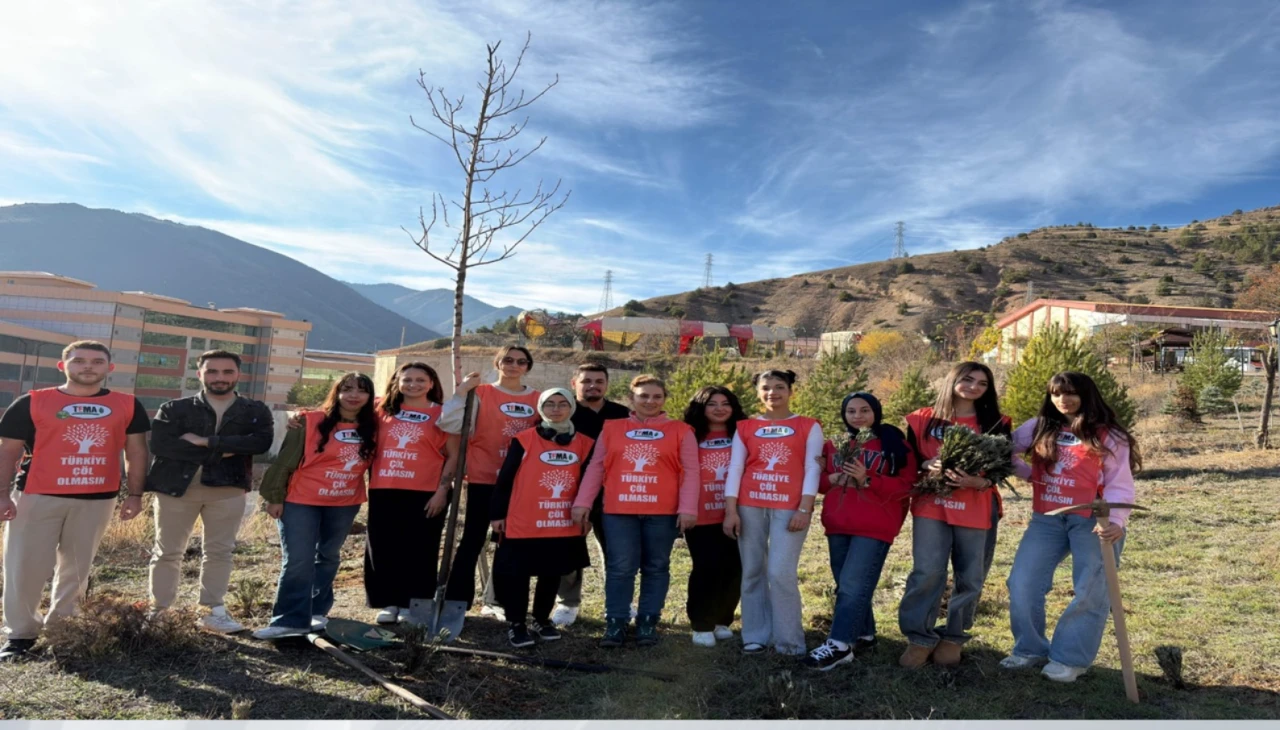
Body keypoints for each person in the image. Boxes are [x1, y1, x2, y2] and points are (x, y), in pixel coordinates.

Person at [0, 341, 151, 661]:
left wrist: (135, 495)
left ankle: (63, 630)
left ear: (109, 369)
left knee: (76, 570)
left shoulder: (127, 405)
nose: (88, 367)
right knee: (24, 567)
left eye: (97, 362)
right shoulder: (32, 402)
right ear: (62, 365)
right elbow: (7, 451)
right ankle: (20, 634)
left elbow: (136, 452)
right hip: (36, 495)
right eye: (79, 360)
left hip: (97, 499)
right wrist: (1, 494)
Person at [1001, 372, 1140, 683]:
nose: (1063, 400)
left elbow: (1120, 483)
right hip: (1046, 518)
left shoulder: (1109, 435)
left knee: (1090, 589)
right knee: (1022, 581)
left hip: (1093, 519)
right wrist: (1027, 474)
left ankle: (1070, 658)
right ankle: (1029, 648)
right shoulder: (1038, 427)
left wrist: (1117, 522)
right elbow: (1004, 449)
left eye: (1071, 393)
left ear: (1087, 395)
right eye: (1056, 394)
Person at [145, 349, 274, 634]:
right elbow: (163, 446)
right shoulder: (174, 409)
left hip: (227, 490)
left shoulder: (255, 411)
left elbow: (260, 444)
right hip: (176, 489)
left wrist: (205, 441)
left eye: (227, 372)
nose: (220, 378)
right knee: (167, 552)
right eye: (212, 371)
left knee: (219, 552)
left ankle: (212, 612)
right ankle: (159, 612)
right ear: (199, 374)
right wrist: (226, 448)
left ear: (238, 375)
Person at [897, 361, 1011, 669]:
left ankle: (953, 637)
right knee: (927, 572)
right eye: (967, 379)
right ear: (953, 380)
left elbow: (1002, 467)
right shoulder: (923, 419)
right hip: (932, 504)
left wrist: (980, 481)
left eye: (982, 383)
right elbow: (909, 461)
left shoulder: (996, 422)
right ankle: (919, 638)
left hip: (976, 505)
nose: (974, 386)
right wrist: (926, 465)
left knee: (970, 576)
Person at [571, 375, 699, 647]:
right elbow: (596, 467)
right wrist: (583, 502)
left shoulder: (681, 430)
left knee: (656, 567)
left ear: (665, 399)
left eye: (656, 396)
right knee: (620, 568)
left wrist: (688, 508)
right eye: (643, 396)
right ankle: (616, 623)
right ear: (631, 399)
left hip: (663, 512)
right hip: (619, 510)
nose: (650, 401)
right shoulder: (612, 428)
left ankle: (647, 621)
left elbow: (691, 472)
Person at [253, 373, 376, 640]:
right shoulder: (310, 422)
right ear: (337, 392)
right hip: (301, 501)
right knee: (299, 559)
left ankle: (316, 612)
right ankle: (288, 621)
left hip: (344, 502)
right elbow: (286, 460)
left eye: (362, 390)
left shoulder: (376, 426)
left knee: (328, 556)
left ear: (370, 396)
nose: (354, 395)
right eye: (347, 389)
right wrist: (274, 496)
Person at [803, 392, 916, 670]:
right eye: (851, 411)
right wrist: (830, 477)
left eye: (864, 410)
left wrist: (867, 479)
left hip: (875, 525)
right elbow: (817, 482)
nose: (858, 416)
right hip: (838, 523)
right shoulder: (835, 444)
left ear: (876, 411)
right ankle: (864, 634)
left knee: (853, 585)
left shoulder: (894, 444)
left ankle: (840, 645)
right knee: (847, 584)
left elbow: (907, 486)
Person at [436, 346, 541, 640]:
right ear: (497, 363)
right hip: (484, 476)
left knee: (510, 543)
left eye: (521, 362)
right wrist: (460, 393)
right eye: (508, 360)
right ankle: (457, 602)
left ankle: (504, 602)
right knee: (471, 539)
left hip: (520, 481)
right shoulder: (481, 393)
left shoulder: (536, 399)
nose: (513, 365)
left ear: (527, 367)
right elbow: (450, 423)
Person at [722, 369, 824, 656]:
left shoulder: (809, 426)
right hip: (749, 505)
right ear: (757, 392)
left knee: (781, 573)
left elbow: (812, 468)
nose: (772, 393)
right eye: (766, 387)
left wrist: (805, 508)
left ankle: (789, 640)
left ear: (791, 390)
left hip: (791, 508)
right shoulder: (745, 427)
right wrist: (731, 510)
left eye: (779, 387)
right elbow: (736, 468)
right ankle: (755, 634)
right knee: (753, 570)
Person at [489, 389, 594, 647]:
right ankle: (517, 623)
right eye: (549, 404)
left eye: (562, 404)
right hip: (524, 520)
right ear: (540, 408)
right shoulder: (524, 439)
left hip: (563, 521)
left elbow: (592, 481)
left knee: (552, 572)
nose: (556, 409)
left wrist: (589, 513)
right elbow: (505, 479)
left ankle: (541, 619)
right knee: (519, 574)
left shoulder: (585, 442)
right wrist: (498, 514)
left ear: (571, 407)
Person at [365, 362, 459, 625]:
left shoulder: (443, 414)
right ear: (397, 382)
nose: (413, 385)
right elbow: (341, 415)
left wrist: (442, 492)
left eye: (421, 380)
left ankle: (412, 603)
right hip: (385, 488)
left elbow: (453, 457)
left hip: (427, 491)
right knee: (383, 547)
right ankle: (389, 602)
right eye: (407, 380)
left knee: (421, 549)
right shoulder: (381, 409)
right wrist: (300, 417)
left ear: (432, 384)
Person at [553, 362, 631, 627]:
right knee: (569, 550)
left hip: (613, 493)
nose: (593, 386)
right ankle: (568, 603)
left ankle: (619, 602)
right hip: (570, 492)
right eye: (586, 381)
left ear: (607, 384)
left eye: (599, 381)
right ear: (574, 383)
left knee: (616, 551)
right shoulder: (564, 414)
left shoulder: (622, 415)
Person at [681, 385, 747, 647]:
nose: (720, 409)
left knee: (734, 568)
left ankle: (722, 619)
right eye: (712, 404)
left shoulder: (744, 433)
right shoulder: (688, 434)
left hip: (739, 513)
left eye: (725, 403)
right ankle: (701, 623)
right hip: (701, 513)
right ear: (701, 407)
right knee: (706, 567)